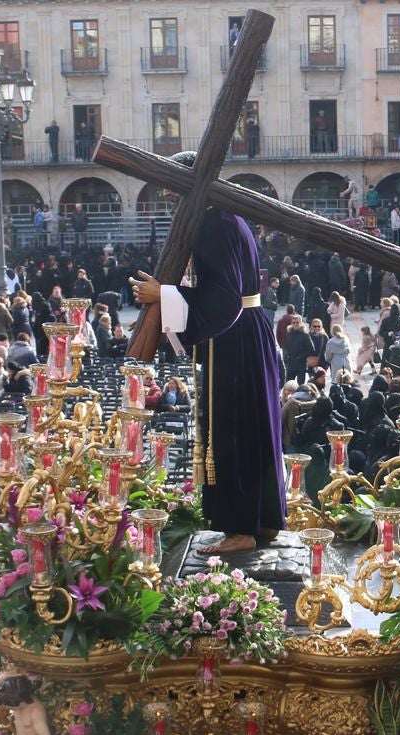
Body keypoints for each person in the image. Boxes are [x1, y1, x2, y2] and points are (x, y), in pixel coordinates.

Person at [130, 151, 286, 554]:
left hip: (234, 340)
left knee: (233, 431)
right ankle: (263, 520)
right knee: (255, 428)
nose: (173, 205)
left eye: (173, 196)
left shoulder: (213, 224)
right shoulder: (232, 217)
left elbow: (222, 299)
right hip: (250, 334)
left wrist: (163, 294)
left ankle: (239, 529)